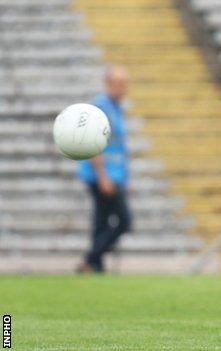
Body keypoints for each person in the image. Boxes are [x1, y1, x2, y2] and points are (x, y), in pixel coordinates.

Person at [77, 66, 132, 273]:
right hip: (102, 176)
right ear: (108, 84)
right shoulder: (101, 107)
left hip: (114, 175)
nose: (123, 88)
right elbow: (93, 143)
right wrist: (103, 177)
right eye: (118, 83)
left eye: (125, 84)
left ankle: (94, 265)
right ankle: (92, 257)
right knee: (125, 221)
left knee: (101, 221)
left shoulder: (116, 108)